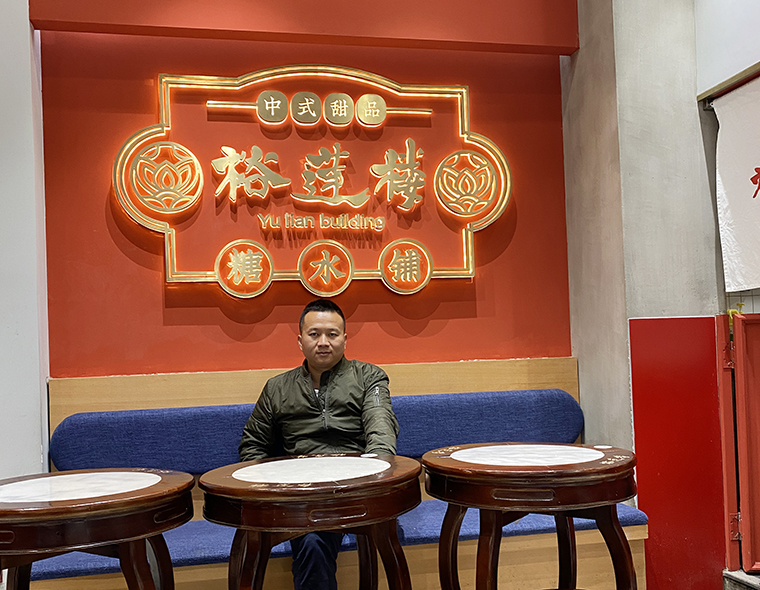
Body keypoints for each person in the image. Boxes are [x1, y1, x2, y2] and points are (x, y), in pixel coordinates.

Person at [239, 298, 399, 590]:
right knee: (311, 540)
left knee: (315, 537)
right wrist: (269, 490)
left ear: (345, 339)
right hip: (300, 493)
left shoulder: (369, 377)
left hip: (353, 489)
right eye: (314, 334)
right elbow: (253, 445)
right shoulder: (277, 388)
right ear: (300, 340)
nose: (323, 342)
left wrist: (374, 476)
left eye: (332, 334)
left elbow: (381, 429)